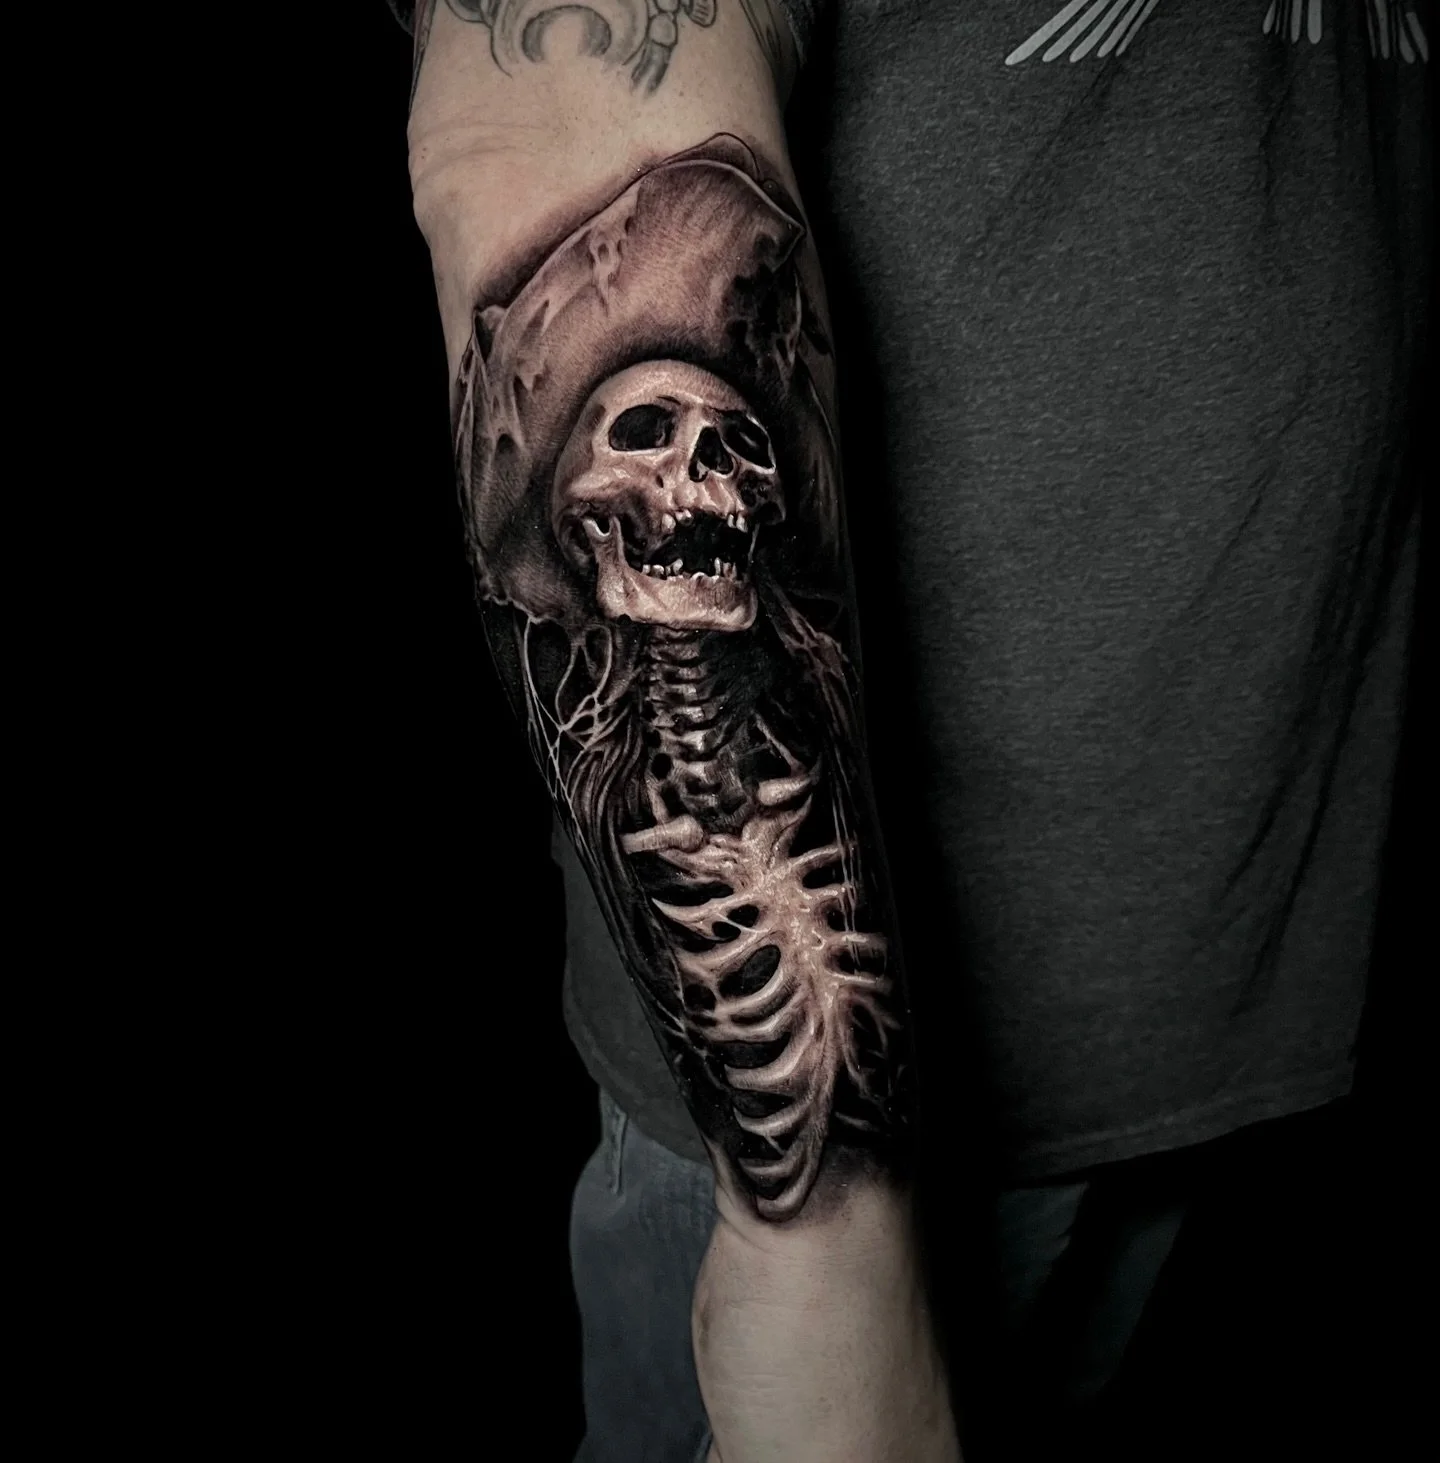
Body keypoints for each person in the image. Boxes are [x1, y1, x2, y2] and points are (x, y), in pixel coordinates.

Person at [392, 2, 1430, 1459]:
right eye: (652, 446)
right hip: (857, 1132)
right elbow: (546, 127)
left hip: (1211, 972)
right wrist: (823, 1237)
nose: (698, 488)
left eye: (719, 456)